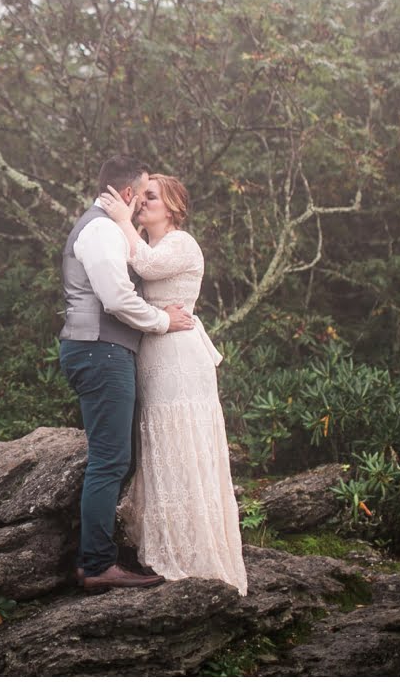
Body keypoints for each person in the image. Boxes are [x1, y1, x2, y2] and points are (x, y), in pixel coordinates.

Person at [97, 174, 248, 596]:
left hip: (180, 357)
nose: (142, 203)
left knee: (183, 440)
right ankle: (167, 541)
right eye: (140, 197)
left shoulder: (182, 243)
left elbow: (146, 266)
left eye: (150, 198)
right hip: (154, 353)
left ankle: (196, 549)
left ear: (174, 208)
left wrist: (122, 219)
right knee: (162, 444)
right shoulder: (148, 242)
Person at [58, 155, 195, 592]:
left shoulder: (108, 228)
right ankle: (97, 564)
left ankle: (98, 556)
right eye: (143, 193)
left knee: (119, 458)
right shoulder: (99, 230)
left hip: (106, 352)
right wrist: (162, 322)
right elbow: (116, 298)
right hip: (100, 351)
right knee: (110, 460)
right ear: (130, 193)